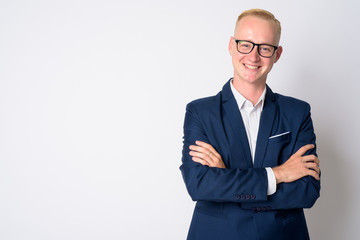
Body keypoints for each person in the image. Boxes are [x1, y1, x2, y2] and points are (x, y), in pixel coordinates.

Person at [180, 9, 320, 240]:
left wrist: (227, 179)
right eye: (246, 44)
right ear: (232, 45)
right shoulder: (200, 112)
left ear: (277, 54)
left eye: (265, 48)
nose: (254, 57)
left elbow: (307, 191)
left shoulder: (298, 112)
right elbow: (200, 185)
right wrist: (279, 174)